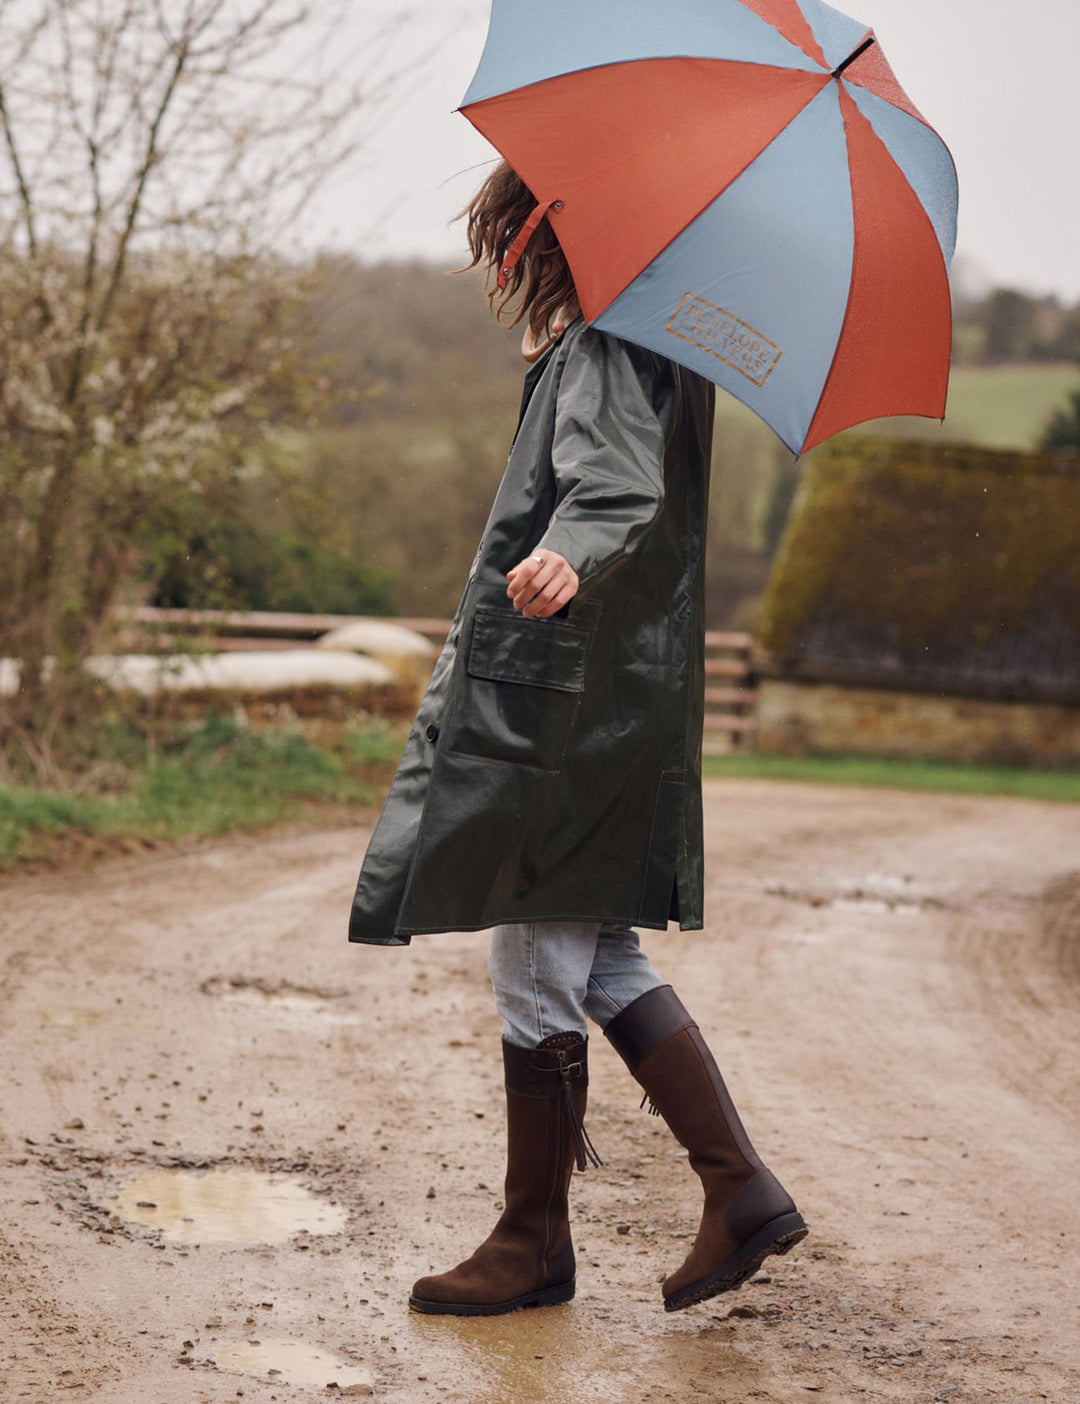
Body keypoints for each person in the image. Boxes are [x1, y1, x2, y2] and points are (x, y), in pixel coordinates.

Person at [347, 160, 807, 1317]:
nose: (505, 251)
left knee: (535, 960)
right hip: (615, 696)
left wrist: (569, 549)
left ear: (558, 233)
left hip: (570, 702)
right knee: (595, 955)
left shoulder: (606, 339)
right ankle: (736, 1185)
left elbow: (611, 485)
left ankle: (532, 1240)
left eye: (519, 228)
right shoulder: (655, 340)